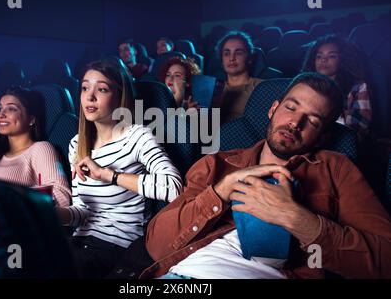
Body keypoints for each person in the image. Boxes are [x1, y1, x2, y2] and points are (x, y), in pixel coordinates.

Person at [142, 72, 391, 279]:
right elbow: (157, 246)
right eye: (290, 108)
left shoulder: (336, 169)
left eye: (313, 121)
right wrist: (219, 193)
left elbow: (385, 260)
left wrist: (295, 218)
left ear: (324, 136)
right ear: (273, 109)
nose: (295, 122)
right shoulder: (216, 164)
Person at [56, 58, 182, 278]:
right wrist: (56, 215)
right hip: (78, 243)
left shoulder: (136, 136)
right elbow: (82, 211)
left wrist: (109, 175)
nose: (90, 96)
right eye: (85, 88)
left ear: (119, 96)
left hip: (117, 247)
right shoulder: (77, 144)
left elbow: (174, 188)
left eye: (102, 89)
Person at [302, 34, 372, 139]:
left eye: (331, 56)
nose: (323, 60)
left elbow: (358, 127)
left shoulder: (358, 87)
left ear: (342, 61)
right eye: (319, 56)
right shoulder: (304, 85)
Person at [212, 31, 263, 124]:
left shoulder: (261, 88)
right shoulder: (212, 89)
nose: (232, 58)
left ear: (250, 58)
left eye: (239, 53)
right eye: (226, 53)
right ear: (221, 60)